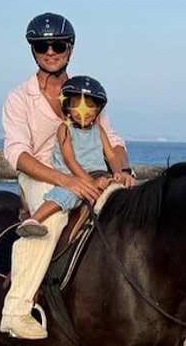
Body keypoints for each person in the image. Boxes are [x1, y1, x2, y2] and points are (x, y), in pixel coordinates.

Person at [0, 13, 134, 340]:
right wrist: (65, 181)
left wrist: (123, 170)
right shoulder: (19, 98)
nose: (50, 51)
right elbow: (17, 153)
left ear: (70, 48)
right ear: (33, 50)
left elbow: (111, 140)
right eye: (41, 45)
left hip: (89, 173)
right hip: (41, 174)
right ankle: (16, 310)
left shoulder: (84, 93)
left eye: (57, 44)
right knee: (53, 222)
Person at [16, 75, 125, 238]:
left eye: (90, 106)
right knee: (67, 196)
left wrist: (119, 172)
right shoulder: (65, 129)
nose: (84, 111)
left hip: (99, 175)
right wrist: (87, 181)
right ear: (67, 107)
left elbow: (110, 154)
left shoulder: (99, 130)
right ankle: (34, 220)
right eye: (77, 105)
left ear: (98, 110)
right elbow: (69, 159)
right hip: (74, 175)